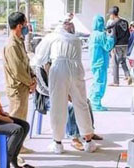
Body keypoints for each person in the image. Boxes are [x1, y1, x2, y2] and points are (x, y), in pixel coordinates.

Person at [33, 17, 97, 154]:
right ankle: (88, 141)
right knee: (81, 103)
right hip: (76, 69)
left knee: (58, 105)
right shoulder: (76, 40)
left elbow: (38, 57)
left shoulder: (52, 37)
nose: (70, 25)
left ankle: (57, 143)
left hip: (59, 69)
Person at [32, 62, 101, 151]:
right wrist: (62, 95)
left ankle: (88, 132)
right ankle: (74, 137)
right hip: (47, 98)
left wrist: (70, 93)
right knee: (70, 106)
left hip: (62, 93)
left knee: (85, 102)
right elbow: (42, 89)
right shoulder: (38, 67)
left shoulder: (57, 64)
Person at [3, 12, 36, 154]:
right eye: (25, 23)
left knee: (21, 119)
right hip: (17, 88)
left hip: (23, 86)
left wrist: (33, 77)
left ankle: (19, 147)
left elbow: (25, 64)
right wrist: (30, 82)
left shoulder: (19, 41)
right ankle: (10, 152)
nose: (27, 26)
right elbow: (17, 71)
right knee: (15, 121)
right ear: (19, 26)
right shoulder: (11, 45)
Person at [89, 14, 115, 111]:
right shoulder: (101, 35)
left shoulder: (92, 34)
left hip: (94, 62)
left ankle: (92, 100)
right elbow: (108, 46)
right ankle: (95, 103)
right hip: (100, 62)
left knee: (95, 82)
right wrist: (111, 37)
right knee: (100, 83)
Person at [106, 6, 131, 86]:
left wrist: (112, 47)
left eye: (110, 15)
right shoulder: (125, 21)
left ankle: (116, 82)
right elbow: (128, 33)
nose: (110, 16)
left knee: (115, 63)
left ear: (113, 14)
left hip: (118, 45)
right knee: (123, 61)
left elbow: (113, 36)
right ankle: (128, 76)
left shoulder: (114, 23)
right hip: (125, 44)